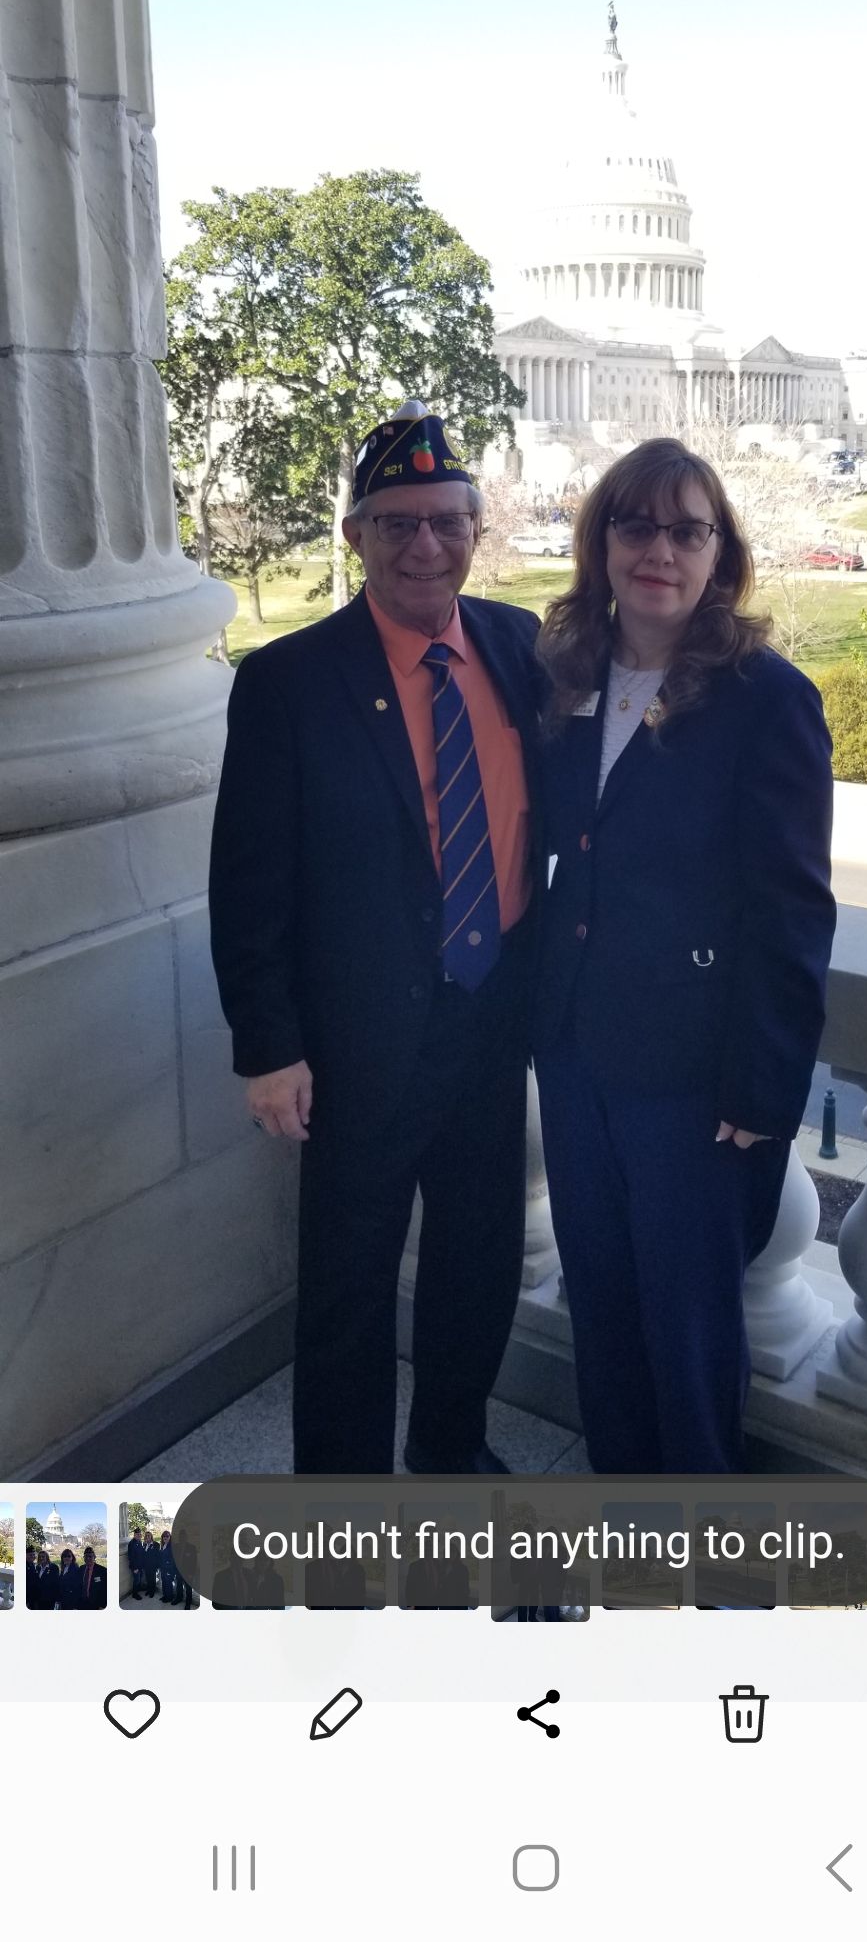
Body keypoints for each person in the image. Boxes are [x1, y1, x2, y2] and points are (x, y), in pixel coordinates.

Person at [210, 403, 545, 1475]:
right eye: (397, 523)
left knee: (477, 1259)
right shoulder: (288, 683)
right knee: (349, 1286)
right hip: (357, 1046)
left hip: (491, 1027)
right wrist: (267, 1046)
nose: (425, 547)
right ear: (355, 536)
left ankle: (452, 1448)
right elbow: (248, 883)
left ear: (477, 528)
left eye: (448, 521)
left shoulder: (516, 643)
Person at [533, 437, 835, 1474]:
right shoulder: (568, 675)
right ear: (603, 542)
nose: (659, 548)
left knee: (691, 1330)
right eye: (637, 524)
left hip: (692, 1075)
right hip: (575, 1055)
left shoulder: (766, 698)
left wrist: (763, 1092)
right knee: (602, 1303)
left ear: (720, 555)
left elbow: (791, 910)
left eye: (687, 529)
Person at [127, 1525, 146, 1601]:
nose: (139, 1535)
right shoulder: (131, 1543)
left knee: (140, 1578)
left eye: (140, 1534)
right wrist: (135, 1568)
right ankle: (134, 1594)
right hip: (135, 1567)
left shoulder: (139, 1541)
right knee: (136, 1580)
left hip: (140, 1565)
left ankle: (138, 1589)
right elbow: (131, 1557)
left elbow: (141, 1553)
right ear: (134, 1535)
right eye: (137, 1534)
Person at [142, 1529, 161, 1602]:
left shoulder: (156, 1544)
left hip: (153, 1566)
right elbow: (144, 1555)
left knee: (152, 1579)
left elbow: (157, 1556)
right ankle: (148, 1590)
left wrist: (157, 1566)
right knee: (147, 1579)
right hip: (146, 1566)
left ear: (151, 1537)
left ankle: (152, 1592)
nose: (147, 1537)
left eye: (149, 1536)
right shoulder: (144, 1544)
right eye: (146, 1536)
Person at [25, 1544, 39, 1611]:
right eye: (30, 1555)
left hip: (33, 1597)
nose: (33, 1556)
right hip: (27, 1598)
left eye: (34, 1554)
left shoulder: (32, 1564)